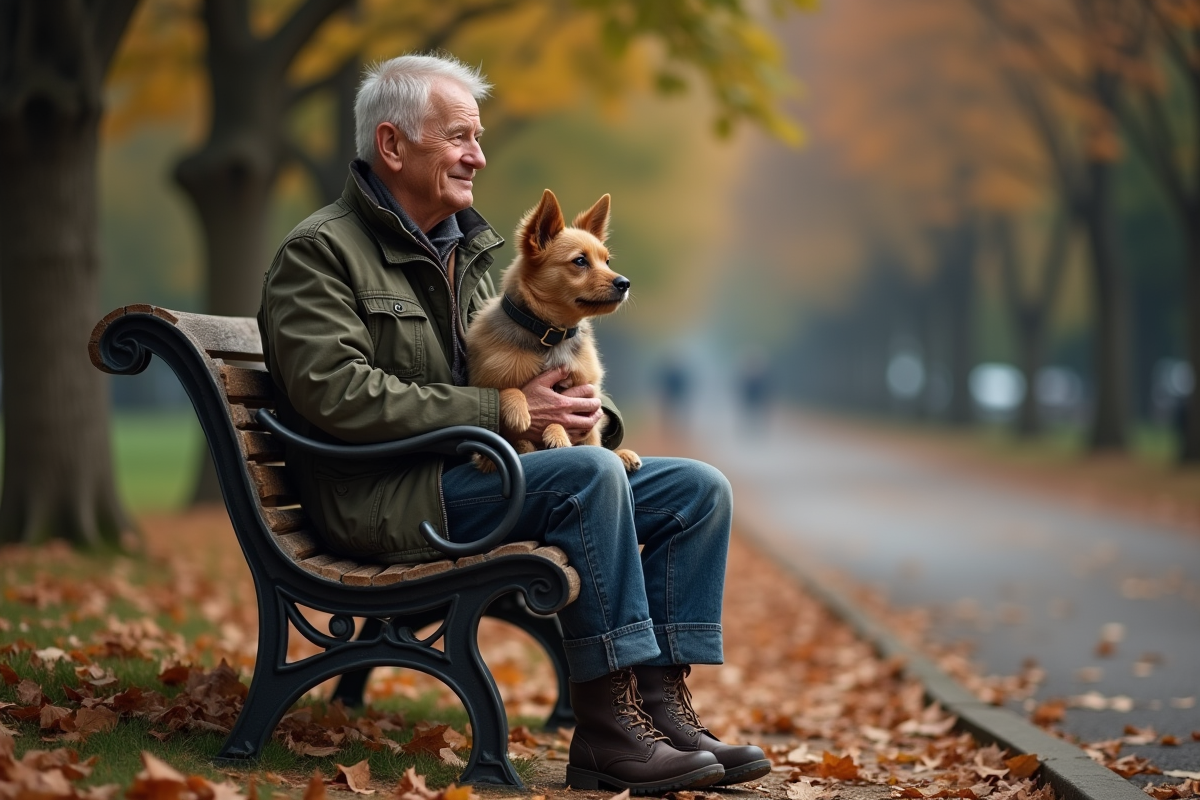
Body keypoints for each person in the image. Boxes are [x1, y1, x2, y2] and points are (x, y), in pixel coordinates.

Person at [257, 53, 767, 794]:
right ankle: (608, 725)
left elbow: (543, 362)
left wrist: (595, 412)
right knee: (588, 477)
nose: (479, 154)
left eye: (480, 135)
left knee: (698, 490)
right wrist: (498, 410)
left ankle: (663, 708)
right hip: (387, 499)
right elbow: (336, 395)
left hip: (479, 476)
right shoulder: (322, 254)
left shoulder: (465, 252)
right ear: (394, 146)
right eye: (460, 136)